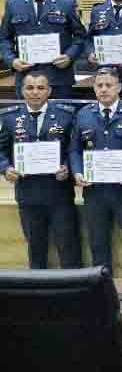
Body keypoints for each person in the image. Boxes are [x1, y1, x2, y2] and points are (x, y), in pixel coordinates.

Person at [69, 67, 122, 277]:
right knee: (98, 244)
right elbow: (75, 150)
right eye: (99, 85)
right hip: (94, 192)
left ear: (119, 87)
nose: (103, 89)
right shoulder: (84, 114)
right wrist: (77, 172)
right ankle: (103, 294)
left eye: (108, 85)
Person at [0, 71, 80, 269]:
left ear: (49, 91)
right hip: (28, 194)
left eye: (40, 88)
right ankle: (37, 296)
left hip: (59, 192)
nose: (35, 92)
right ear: (22, 90)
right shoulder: (9, 118)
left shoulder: (66, 115)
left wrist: (68, 168)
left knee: (68, 247)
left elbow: (75, 149)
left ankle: (74, 295)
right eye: (30, 87)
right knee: (36, 249)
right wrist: (5, 168)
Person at [0, 0, 86, 100]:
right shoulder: (13, 4)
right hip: (26, 80)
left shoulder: (66, 4)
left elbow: (81, 36)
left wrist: (69, 56)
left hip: (58, 80)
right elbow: (4, 38)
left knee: (60, 121)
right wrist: (12, 61)